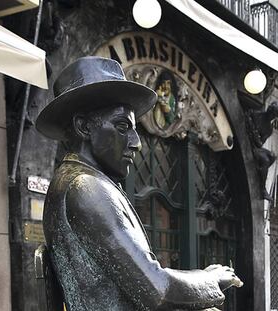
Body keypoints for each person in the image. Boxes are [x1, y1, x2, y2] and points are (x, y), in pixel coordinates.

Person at [36, 56, 243, 311]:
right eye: (122, 127)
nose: (136, 142)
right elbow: (157, 290)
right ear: (83, 127)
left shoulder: (81, 182)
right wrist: (210, 279)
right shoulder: (85, 188)